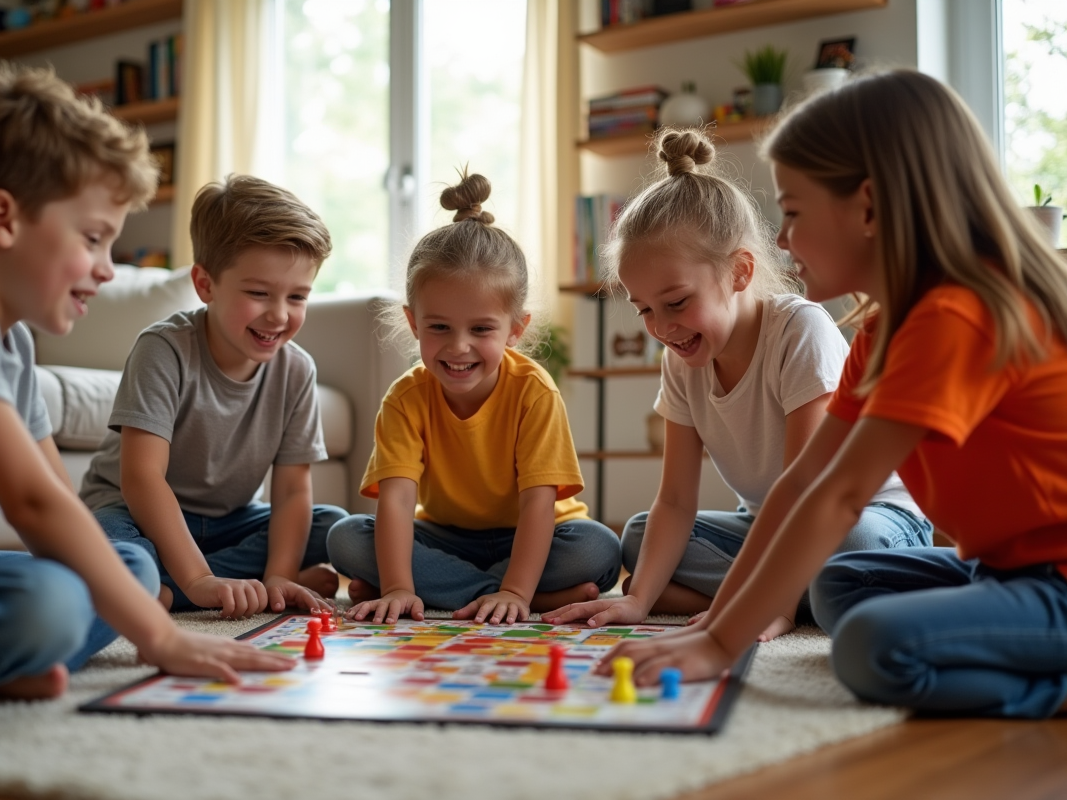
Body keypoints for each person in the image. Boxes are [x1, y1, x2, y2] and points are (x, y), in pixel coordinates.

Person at [597, 70, 1067, 719]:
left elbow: (840, 495)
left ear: (868, 208)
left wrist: (720, 643)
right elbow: (798, 486)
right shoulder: (881, 332)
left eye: (792, 212)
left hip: (1055, 581)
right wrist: (718, 627)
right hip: (1001, 570)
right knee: (843, 586)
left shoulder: (952, 317)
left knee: (873, 644)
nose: (780, 239)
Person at [0, 64, 294, 699]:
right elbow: (30, 502)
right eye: (93, 239)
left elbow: (58, 502)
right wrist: (161, 637)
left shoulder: (11, 339)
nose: (107, 269)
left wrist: (134, 606)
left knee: (131, 567)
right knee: (45, 602)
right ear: (2, 218)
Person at [544, 127, 931, 639]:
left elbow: (806, 489)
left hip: (867, 518)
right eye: (645, 310)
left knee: (853, 546)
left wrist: (774, 609)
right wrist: (638, 601)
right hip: (772, 527)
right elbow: (676, 501)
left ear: (740, 272)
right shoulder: (681, 360)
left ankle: (774, 596)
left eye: (676, 302)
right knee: (639, 536)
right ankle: (805, 594)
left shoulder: (799, 330)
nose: (662, 328)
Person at [327, 171, 621, 626]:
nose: (459, 346)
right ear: (413, 322)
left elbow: (538, 504)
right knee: (346, 537)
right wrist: (398, 585)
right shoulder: (405, 398)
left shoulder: (534, 391)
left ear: (516, 329)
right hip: (444, 536)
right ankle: (526, 596)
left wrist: (515, 589)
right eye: (439, 327)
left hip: (537, 532)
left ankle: (485, 590)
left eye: (481, 329)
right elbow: (398, 502)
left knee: (597, 549)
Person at [80, 175, 346, 619]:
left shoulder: (297, 370)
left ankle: (179, 590)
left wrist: (280, 575)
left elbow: (291, 491)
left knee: (330, 524)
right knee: (117, 553)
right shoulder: (163, 349)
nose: (279, 315)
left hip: (228, 522)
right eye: (258, 293)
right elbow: (142, 479)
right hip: (132, 511)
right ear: (205, 284)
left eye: (297, 296)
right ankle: (194, 583)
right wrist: (197, 579)